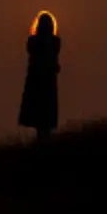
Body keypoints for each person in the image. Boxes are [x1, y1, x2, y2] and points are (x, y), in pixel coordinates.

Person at [18, 10, 61, 142]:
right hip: (42, 84)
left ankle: (43, 142)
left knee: (42, 119)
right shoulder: (47, 43)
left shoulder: (44, 43)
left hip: (40, 84)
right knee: (43, 119)